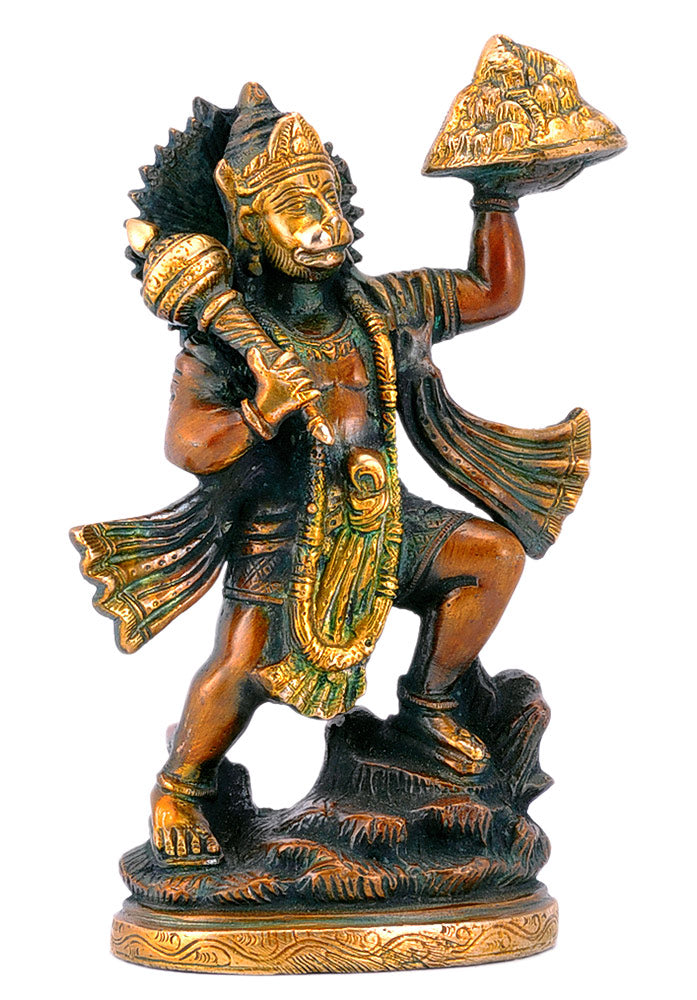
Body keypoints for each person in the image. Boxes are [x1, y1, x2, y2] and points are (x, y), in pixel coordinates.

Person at [73, 83, 589, 864]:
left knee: (490, 558)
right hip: (284, 535)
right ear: (250, 226)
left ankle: (429, 705)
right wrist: (258, 413)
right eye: (293, 207)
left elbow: (491, 293)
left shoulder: (382, 304)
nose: (321, 223)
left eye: (326, 201)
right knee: (242, 669)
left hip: (383, 518)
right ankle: (181, 785)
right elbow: (188, 444)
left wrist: (496, 198)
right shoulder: (221, 343)